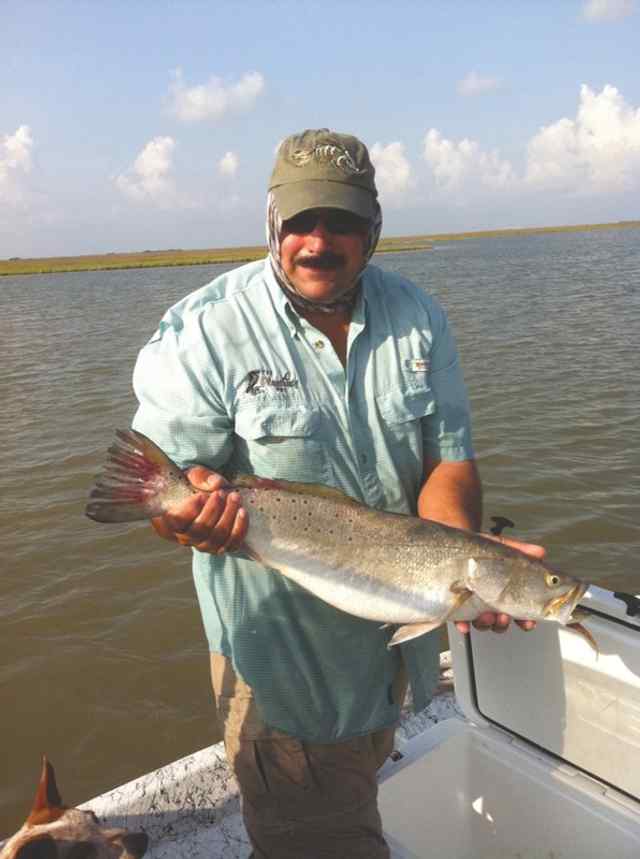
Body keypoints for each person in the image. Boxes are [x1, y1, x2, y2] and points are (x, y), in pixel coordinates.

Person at [131, 128, 541, 858]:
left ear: (374, 228)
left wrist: (466, 566)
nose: (319, 242)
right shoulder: (205, 329)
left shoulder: (420, 317)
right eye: (300, 223)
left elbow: (449, 464)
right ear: (271, 223)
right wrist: (190, 510)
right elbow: (175, 490)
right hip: (285, 682)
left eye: (343, 222)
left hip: (393, 668)